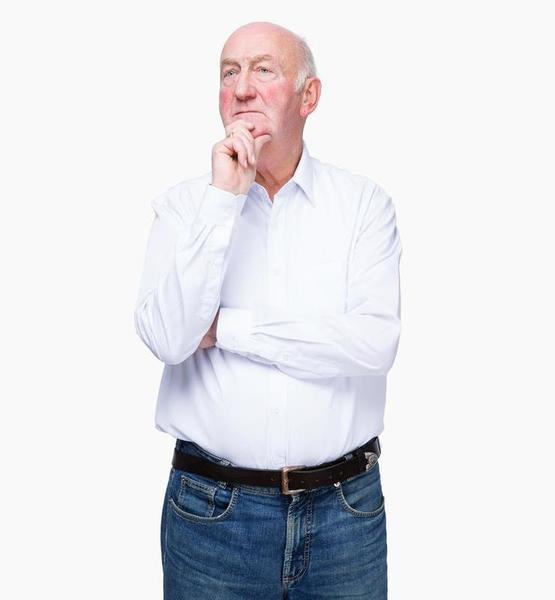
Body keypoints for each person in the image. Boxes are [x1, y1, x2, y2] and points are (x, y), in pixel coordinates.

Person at [134, 20, 402, 600]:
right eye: (229, 72)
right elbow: (170, 339)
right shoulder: (185, 207)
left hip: (345, 516)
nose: (241, 88)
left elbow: (372, 345)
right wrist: (223, 201)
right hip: (212, 515)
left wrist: (227, 328)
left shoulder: (363, 206)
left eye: (263, 69)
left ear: (309, 97)